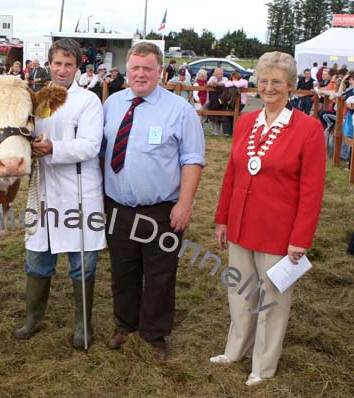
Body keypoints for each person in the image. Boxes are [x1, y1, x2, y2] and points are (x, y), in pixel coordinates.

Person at [211, 51, 325, 387]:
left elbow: (312, 190)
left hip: (279, 232)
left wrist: (301, 238)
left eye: (277, 81)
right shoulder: (246, 122)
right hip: (241, 225)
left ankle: (263, 365)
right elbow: (231, 174)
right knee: (239, 292)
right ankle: (235, 350)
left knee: (272, 301)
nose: (269, 87)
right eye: (264, 80)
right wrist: (222, 219)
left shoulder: (308, 129)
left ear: (291, 85)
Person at [101, 42, 205, 360]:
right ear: (127, 69)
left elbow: (192, 159)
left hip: (162, 210)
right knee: (123, 270)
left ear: (160, 71)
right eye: (135, 68)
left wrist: (184, 204)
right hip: (117, 205)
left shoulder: (180, 110)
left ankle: (154, 334)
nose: (141, 74)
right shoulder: (112, 104)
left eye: (148, 68)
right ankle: (125, 324)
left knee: (160, 274)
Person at [14, 38, 105, 349]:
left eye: (69, 64)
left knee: (83, 261)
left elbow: (91, 145)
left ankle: (83, 326)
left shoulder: (89, 101)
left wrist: (53, 147)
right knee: (38, 257)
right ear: (49, 64)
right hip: (42, 188)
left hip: (78, 191)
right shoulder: (36, 100)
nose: (63, 69)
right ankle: (33, 317)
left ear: (77, 66)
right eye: (58, 63)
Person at [221, 71, 249, 136]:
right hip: (232, 102)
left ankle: (230, 132)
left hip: (241, 102)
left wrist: (232, 82)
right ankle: (228, 132)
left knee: (232, 115)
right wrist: (232, 82)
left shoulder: (244, 81)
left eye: (234, 77)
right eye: (232, 77)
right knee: (229, 115)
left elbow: (238, 84)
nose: (233, 78)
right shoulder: (232, 82)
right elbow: (226, 84)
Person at [207, 68, 229, 136]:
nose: (220, 75)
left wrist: (216, 83)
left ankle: (218, 132)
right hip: (213, 99)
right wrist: (213, 84)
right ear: (215, 74)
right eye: (219, 74)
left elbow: (225, 84)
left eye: (221, 74)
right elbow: (208, 84)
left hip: (221, 100)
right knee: (212, 115)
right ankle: (214, 131)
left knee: (220, 116)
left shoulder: (225, 79)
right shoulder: (212, 78)